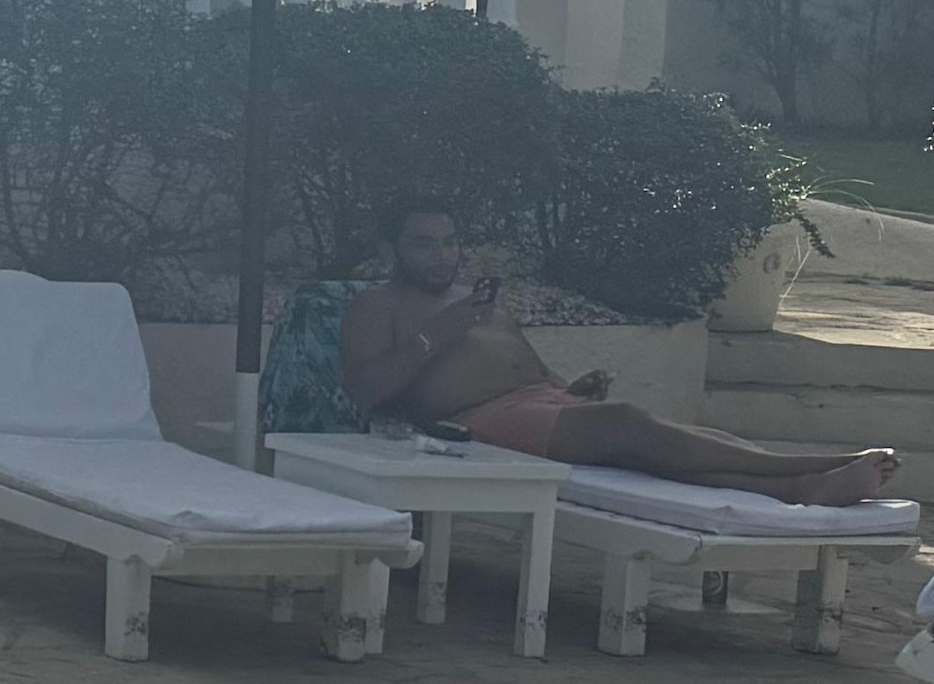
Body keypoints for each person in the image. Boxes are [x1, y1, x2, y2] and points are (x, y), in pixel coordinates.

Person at [338, 201, 894, 501]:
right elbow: (366, 391)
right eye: (424, 244)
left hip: (541, 406)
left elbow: (532, 372)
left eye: (449, 242)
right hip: (477, 424)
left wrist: (573, 390)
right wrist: (440, 330)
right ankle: (820, 464)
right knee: (628, 424)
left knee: (659, 446)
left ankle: (801, 488)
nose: (442, 255)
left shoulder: (477, 301)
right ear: (394, 249)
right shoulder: (377, 306)